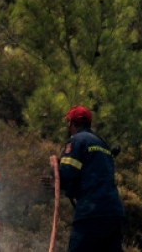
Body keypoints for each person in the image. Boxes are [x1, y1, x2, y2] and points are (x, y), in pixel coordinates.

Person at [55, 106, 125, 251]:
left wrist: (55, 173)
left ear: (70, 123)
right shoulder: (102, 144)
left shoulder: (76, 141)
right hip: (114, 213)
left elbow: (67, 175)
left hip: (91, 213)